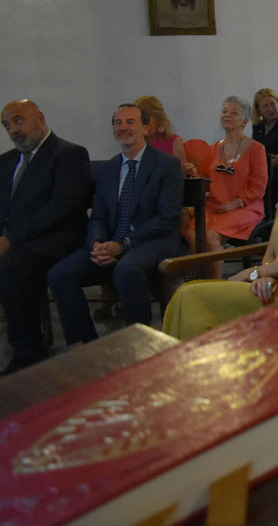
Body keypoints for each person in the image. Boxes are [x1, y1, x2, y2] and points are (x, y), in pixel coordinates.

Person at [162, 115, 278, 340]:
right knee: (187, 294)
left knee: (190, 295)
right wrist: (264, 276)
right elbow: (271, 252)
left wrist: (250, 273)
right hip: (275, 282)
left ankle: (184, 369)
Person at [48, 104, 185, 345]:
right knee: (59, 274)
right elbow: (99, 216)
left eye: (130, 122)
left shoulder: (166, 165)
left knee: (126, 269)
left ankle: (138, 344)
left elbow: (168, 218)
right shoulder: (108, 170)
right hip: (112, 241)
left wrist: (123, 244)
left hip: (154, 240)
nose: (123, 128)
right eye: (118, 123)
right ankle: (88, 345)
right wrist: (97, 242)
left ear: (145, 127)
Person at [0, 100, 91, 373]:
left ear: (39, 119)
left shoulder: (68, 155)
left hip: (60, 237)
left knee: (12, 264)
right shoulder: (5, 162)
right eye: (7, 126)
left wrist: (11, 239)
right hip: (19, 239)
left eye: (18, 121)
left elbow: (60, 208)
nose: (13, 130)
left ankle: (29, 348)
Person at [193, 97, 268, 264]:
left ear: (245, 121)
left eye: (234, 113)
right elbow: (205, 181)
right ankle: (199, 282)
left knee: (209, 236)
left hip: (244, 207)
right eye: (224, 111)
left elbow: (259, 187)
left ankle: (214, 285)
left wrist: (234, 204)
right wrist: (194, 174)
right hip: (214, 207)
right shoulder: (212, 149)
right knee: (191, 233)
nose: (227, 115)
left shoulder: (256, 148)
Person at [251, 88, 278, 216]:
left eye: (273, 104)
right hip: (264, 170)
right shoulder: (258, 127)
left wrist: (266, 164)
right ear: (259, 110)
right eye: (266, 106)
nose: (271, 109)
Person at [134, 95, 191, 174]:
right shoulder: (136, 143)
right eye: (139, 120)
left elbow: (180, 177)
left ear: (158, 118)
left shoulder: (175, 142)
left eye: (146, 119)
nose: (143, 124)